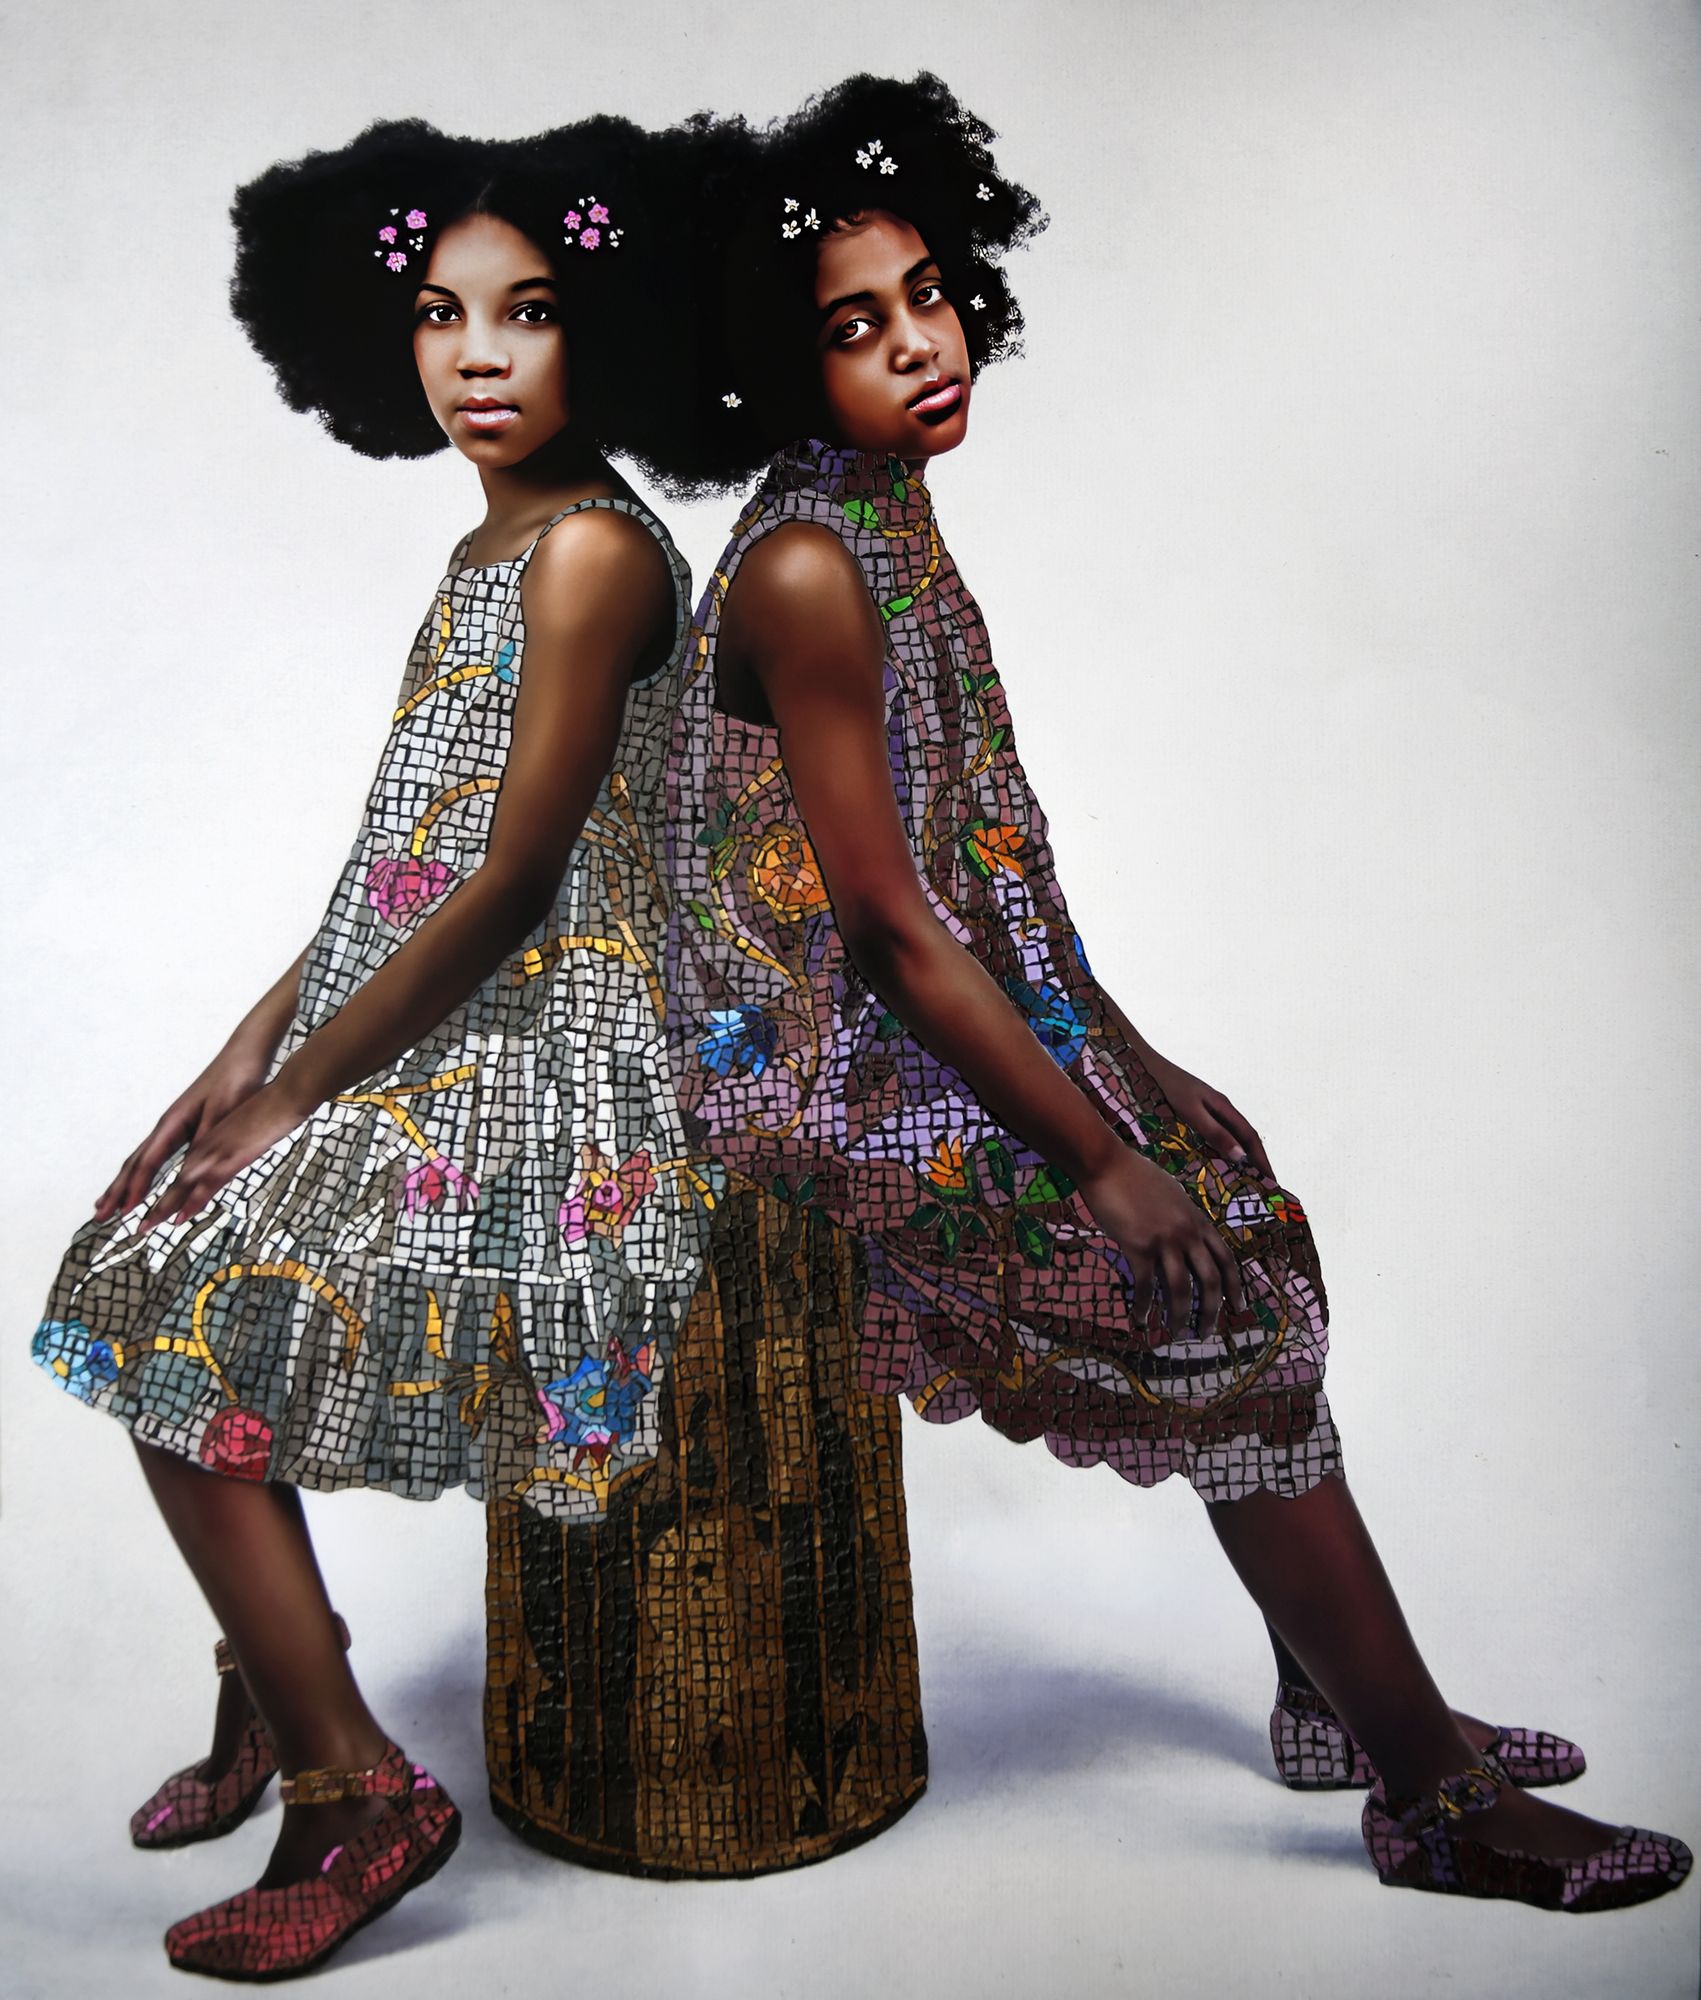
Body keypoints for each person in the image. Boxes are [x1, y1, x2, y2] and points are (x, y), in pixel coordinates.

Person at [650, 71, 1692, 1914]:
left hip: (906, 1015)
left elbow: (984, 863)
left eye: (926, 296)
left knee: (1244, 1204)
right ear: (770, 368)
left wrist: (1127, 1062)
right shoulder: (808, 563)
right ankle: (1431, 1798)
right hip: (796, 1067)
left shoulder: (882, 515)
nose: (918, 345)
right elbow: (886, 928)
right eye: (853, 328)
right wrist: (1097, 1160)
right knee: (1202, 1296)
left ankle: (1328, 1698)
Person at [30, 112, 721, 1979]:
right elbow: (398, 857)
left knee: (177, 1306)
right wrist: (235, 1052)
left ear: (607, 330)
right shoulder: (491, 542)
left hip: (550, 1052)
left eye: (528, 311)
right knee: (138, 1254)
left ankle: (353, 1791)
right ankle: (281, 1684)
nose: (476, 355)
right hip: (414, 1005)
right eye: (438, 313)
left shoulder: (590, 555)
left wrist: (302, 1090)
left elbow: (511, 883)